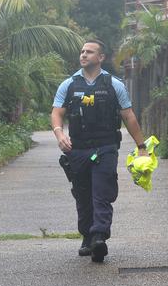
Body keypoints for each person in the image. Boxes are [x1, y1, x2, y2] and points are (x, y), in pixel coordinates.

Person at [50, 39, 147, 263]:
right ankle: (87, 236)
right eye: (82, 51)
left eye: (89, 52)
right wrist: (59, 134)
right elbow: (56, 113)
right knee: (82, 195)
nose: (83, 55)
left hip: (105, 148)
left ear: (100, 57)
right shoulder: (69, 85)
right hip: (78, 149)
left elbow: (128, 116)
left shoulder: (114, 85)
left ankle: (99, 237)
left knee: (102, 193)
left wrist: (141, 147)